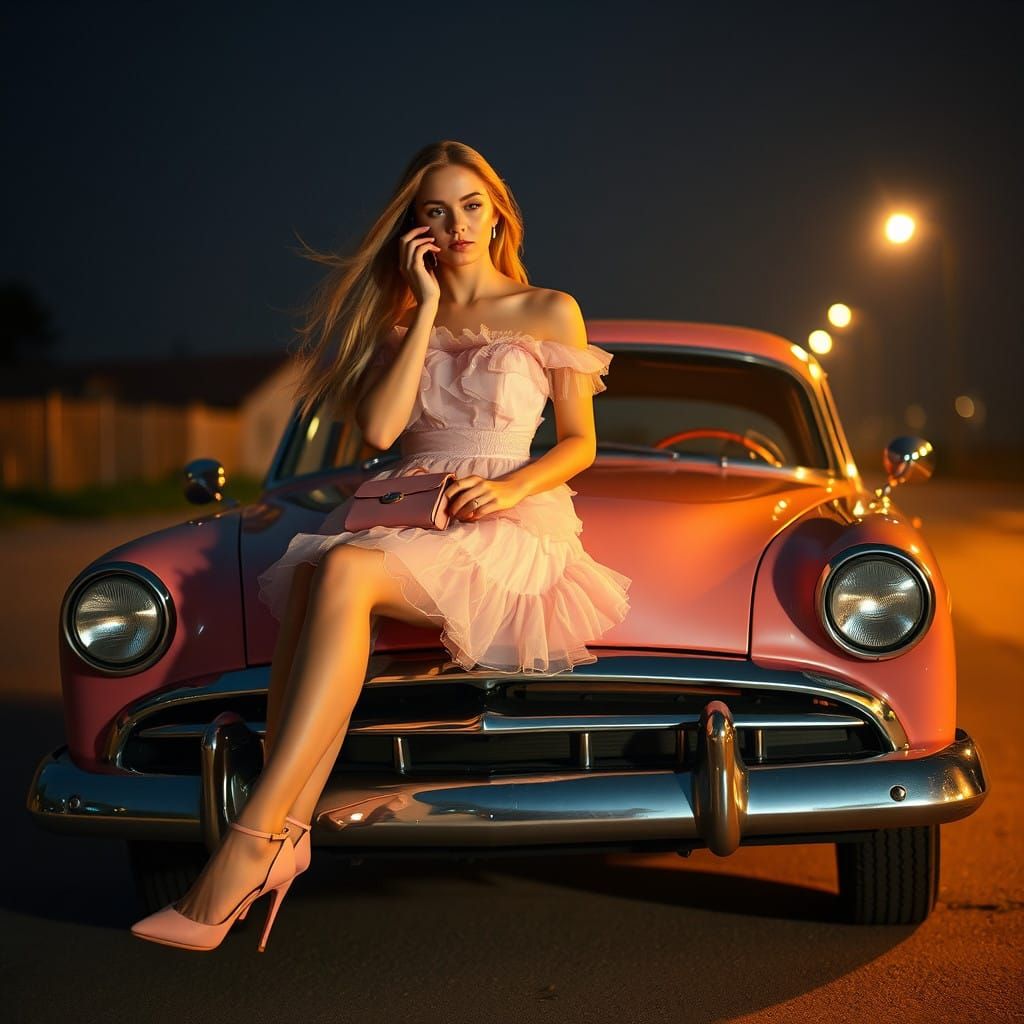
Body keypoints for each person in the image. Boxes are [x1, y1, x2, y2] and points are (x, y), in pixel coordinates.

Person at [130, 139, 632, 952]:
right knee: (333, 566)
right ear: (414, 226)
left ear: (498, 210)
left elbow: (578, 443)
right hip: (406, 509)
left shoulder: (549, 309)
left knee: (342, 570)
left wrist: (510, 488)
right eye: (435, 210)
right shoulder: (403, 316)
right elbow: (380, 430)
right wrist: (427, 309)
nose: (457, 223)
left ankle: (257, 841)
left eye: (471, 205)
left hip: (506, 515)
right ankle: (278, 838)